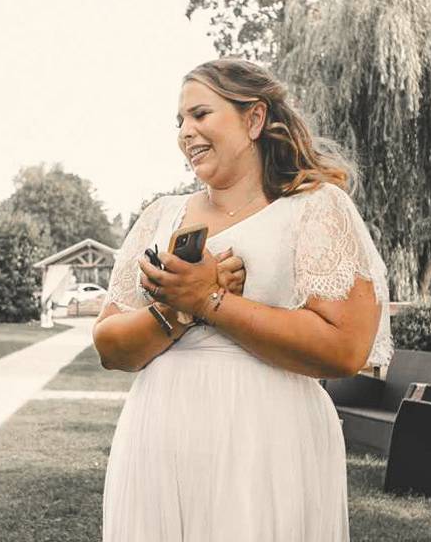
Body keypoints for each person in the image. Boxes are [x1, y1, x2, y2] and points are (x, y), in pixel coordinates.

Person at [93, 58, 392, 541]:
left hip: (268, 444)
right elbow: (109, 346)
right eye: (180, 121)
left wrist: (213, 301)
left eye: (200, 114)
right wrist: (176, 309)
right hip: (159, 441)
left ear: (253, 119)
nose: (186, 132)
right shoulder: (160, 217)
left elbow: (345, 349)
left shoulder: (313, 207)